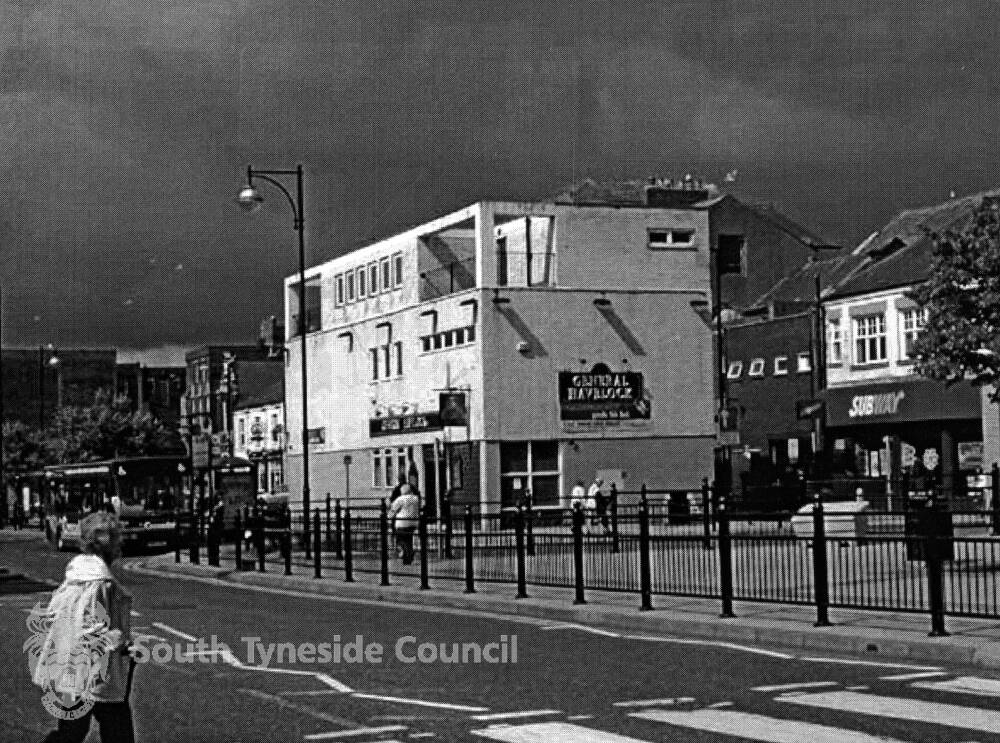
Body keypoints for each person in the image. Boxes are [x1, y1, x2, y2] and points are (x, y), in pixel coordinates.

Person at [32, 511, 135, 742]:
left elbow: (53, 613)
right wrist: (121, 642)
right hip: (95, 670)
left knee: (73, 731)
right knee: (116, 729)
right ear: (110, 545)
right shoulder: (99, 582)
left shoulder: (75, 576)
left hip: (71, 666)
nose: (120, 544)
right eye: (117, 539)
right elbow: (90, 628)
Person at [388, 484, 420, 565]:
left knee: (400, 539)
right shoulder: (416, 498)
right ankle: (408, 558)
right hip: (414, 522)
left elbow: (393, 510)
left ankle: (407, 554)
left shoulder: (400, 499)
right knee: (408, 539)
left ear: (402, 492)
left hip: (402, 523)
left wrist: (388, 517)